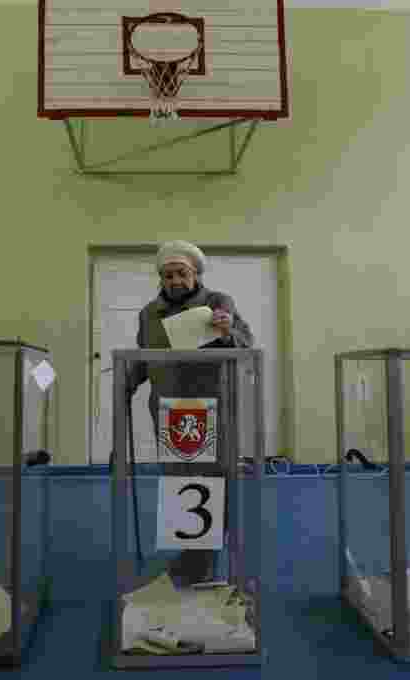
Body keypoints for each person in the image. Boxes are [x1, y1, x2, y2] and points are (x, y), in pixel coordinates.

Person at [125, 240, 255, 585]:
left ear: (195, 274)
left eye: (182, 273)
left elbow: (246, 344)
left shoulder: (218, 303)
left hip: (212, 410)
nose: (175, 281)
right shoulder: (148, 314)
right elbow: (144, 357)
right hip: (171, 412)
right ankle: (191, 555)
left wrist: (227, 331)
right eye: (168, 275)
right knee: (181, 483)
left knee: (214, 482)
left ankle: (206, 559)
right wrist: (126, 385)